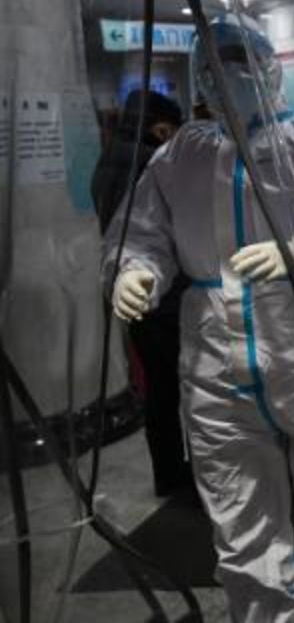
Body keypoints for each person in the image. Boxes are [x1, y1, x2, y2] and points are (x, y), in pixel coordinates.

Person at [103, 16, 294, 622]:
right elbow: (140, 233)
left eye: (239, 60)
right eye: (212, 64)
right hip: (217, 367)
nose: (226, 74)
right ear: (197, 77)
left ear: (269, 66)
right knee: (241, 529)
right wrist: (133, 271)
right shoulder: (180, 154)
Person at [92, 89, 194, 499]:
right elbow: (148, 236)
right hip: (160, 297)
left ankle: (169, 473)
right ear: (160, 127)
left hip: (135, 293)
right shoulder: (148, 163)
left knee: (159, 387)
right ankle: (178, 477)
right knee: (177, 388)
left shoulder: (109, 158)